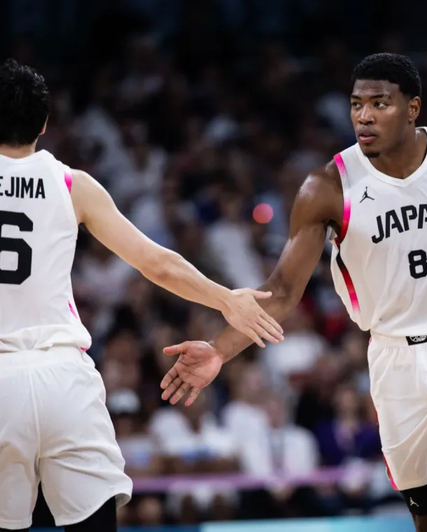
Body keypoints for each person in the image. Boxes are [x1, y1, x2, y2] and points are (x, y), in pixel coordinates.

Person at [161, 53, 427, 532]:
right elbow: (282, 291)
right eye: (356, 104)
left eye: (379, 103)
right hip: (395, 357)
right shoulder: (327, 186)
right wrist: (220, 351)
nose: (364, 116)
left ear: (412, 108)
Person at [0, 59, 283, 532]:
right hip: (62, 377)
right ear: (45, 123)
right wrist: (225, 299)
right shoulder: (72, 184)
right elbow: (157, 263)